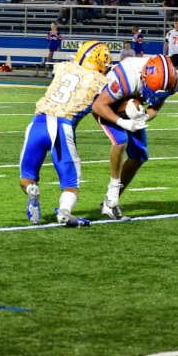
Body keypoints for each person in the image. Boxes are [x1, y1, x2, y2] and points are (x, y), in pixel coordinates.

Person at [20, 41, 112, 226]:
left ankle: (31, 189)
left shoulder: (63, 67)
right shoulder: (101, 81)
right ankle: (64, 211)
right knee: (71, 183)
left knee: (26, 176)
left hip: (37, 123)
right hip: (62, 127)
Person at [92, 54, 178, 220]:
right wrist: (122, 122)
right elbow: (98, 105)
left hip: (131, 101)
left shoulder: (170, 80)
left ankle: (109, 202)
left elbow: (155, 107)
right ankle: (113, 193)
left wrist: (143, 117)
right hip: (107, 102)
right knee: (120, 141)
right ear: (143, 77)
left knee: (139, 155)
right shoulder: (126, 77)